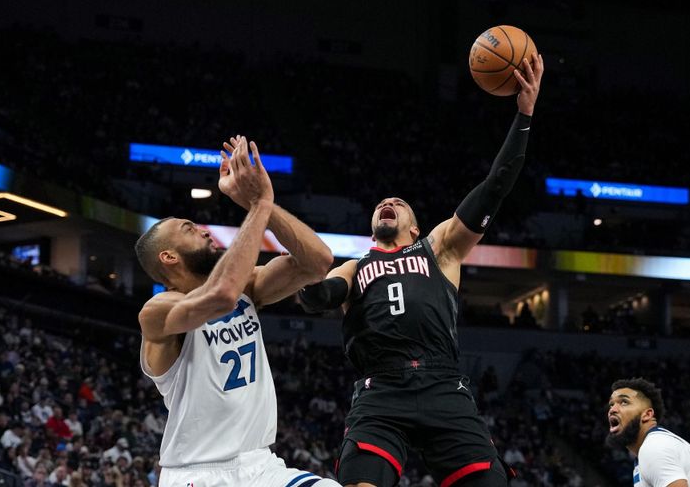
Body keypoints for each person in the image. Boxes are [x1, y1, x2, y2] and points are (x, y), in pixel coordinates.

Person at [298, 53, 543, 487]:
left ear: (413, 226)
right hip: (381, 391)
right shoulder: (356, 266)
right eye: (380, 203)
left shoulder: (440, 249)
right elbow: (326, 293)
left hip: (442, 384)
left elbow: (495, 186)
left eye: (397, 202)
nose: (386, 202)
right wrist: (313, 291)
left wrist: (524, 114)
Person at [135, 135, 340, 487]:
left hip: (260, 464)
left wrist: (261, 204)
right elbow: (220, 297)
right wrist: (258, 204)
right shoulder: (157, 312)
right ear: (168, 257)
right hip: (196, 473)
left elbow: (318, 262)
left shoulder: (249, 287)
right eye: (189, 229)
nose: (203, 229)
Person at [606, 377, 690, 486]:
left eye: (624, 402)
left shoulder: (654, 447)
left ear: (647, 414)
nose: (612, 410)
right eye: (611, 404)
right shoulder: (653, 446)